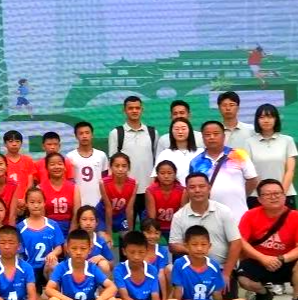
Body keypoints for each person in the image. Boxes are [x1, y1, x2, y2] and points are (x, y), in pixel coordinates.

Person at [237, 179, 298, 300]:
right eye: (268, 194)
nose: (273, 197)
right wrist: (262, 258)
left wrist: (281, 258)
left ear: (284, 196)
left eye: (277, 193)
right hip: (259, 260)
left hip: (286, 261)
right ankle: (263, 294)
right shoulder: (250, 215)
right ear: (259, 199)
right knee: (243, 279)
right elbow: (241, 241)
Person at [162, 225, 258, 300]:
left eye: (203, 244)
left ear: (209, 246)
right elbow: (178, 292)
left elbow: (217, 295)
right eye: (194, 244)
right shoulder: (180, 263)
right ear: (186, 246)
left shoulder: (213, 265)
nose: (199, 248)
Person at [169, 173, 241, 282]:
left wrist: (226, 274)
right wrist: (196, 250)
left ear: (209, 188)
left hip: (221, 268)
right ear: (186, 190)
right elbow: (173, 245)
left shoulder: (224, 211)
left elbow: (236, 243)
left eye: (202, 186)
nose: (197, 190)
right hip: (192, 269)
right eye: (192, 187)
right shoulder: (179, 216)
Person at [46, 229, 123, 300]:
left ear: (90, 249)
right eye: (74, 248)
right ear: (67, 249)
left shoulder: (92, 268)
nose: (78, 252)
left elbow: (112, 287)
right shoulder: (62, 267)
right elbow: (49, 289)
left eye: (83, 248)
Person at [189, 121, 258, 223]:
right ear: (202, 138)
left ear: (224, 136)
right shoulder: (196, 162)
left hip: (238, 215)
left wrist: (240, 195)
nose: (212, 137)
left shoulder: (239, 155)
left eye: (216, 134)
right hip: (209, 217)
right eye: (207, 135)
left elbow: (252, 180)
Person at [107, 95, 157, 225]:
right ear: (124, 110)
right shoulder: (116, 133)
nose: (134, 111)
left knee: (149, 230)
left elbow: (156, 162)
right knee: (126, 231)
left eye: (137, 108)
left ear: (142, 110)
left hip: (148, 191)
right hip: (126, 191)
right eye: (130, 108)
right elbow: (112, 165)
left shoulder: (152, 133)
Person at [114, 231, 178, 300]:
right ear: (124, 251)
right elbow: (125, 297)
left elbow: (155, 298)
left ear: (146, 251)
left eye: (141, 252)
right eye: (132, 252)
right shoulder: (119, 269)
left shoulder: (152, 270)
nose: (136, 257)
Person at [246, 104, 298, 209]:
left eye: (270, 117)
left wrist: (281, 194)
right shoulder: (249, 142)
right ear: (257, 120)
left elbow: (290, 170)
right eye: (262, 117)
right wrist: (264, 194)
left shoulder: (287, 140)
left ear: (276, 119)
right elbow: (250, 172)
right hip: (257, 197)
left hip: (285, 195)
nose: (266, 120)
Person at [16, 187, 64, 292]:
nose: (36, 205)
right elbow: (19, 253)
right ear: (26, 204)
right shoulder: (20, 227)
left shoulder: (52, 225)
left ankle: (57, 294)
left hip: (47, 266)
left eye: (39, 202)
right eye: (32, 202)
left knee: (54, 265)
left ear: (44, 203)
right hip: (30, 268)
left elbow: (59, 247)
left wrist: (53, 254)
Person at [65, 121, 108, 208]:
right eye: (81, 133)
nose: (84, 136)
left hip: (98, 201)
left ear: (92, 135)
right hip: (78, 202)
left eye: (87, 133)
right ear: (76, 136)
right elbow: (68, 182)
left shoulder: (101, 155)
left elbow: (105, 179)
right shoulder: (69, 157)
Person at [152, 117, 202, 186]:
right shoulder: (165, 154)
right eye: (176, 129)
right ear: (171, 132)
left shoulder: (200, 153)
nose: (180, 132)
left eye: (183, 129)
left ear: (190, 131)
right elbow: (155, 178)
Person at [39, 153, 79, 237]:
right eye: (52, 164)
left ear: (65, 167)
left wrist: (71, 235)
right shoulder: (40, 188)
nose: (56, 167)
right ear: (46, 168)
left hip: (69, 230)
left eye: (60, 164)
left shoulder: (74, 187)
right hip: (47, 230)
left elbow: (76, 213)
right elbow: (40, 216)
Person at [146, 160, 185, 238]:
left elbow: (182, 216)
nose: (166, 176)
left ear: (175, 174)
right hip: (156, 226)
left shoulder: (183, 191)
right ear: (157, 175)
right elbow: (152, 217)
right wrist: (154, 233)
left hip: (175, 226)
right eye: (162, 173)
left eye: (169, 173)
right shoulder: (150, 190)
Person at [76, 205, 113, 275]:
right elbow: (68, 263)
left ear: (97, 222)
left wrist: (101, 258)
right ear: (78, 221)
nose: (88, 223)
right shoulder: (73, 240)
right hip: (78, 274)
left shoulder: (101, 242)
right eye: (84, 219)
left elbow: (111, 265)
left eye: (92, 219)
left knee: (104, 264)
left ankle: (102, 282)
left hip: (95, 276)